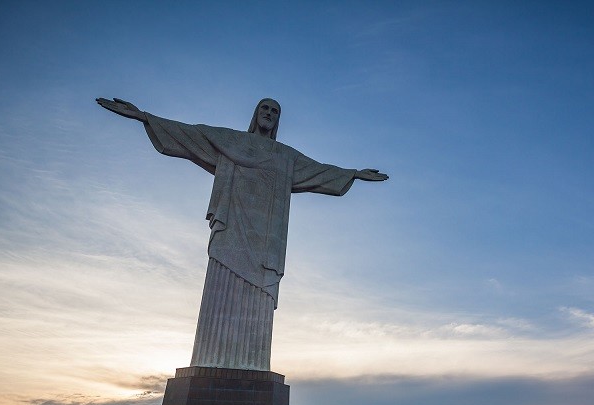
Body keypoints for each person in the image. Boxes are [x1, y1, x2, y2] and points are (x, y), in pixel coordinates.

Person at [96, 97, 388, 372]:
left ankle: (252, 364)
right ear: (255, 113)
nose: (269, 114)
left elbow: (320, 171)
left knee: (258, 300)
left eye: (275, 111)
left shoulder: (285, 157)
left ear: (278, 120)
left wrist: (354, 174)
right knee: (220, 291)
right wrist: (143, 117)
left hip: (265, 244)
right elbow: (189, 135)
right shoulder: (230, 141)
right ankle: (209, 361)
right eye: (265, 108)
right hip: (231, 232)